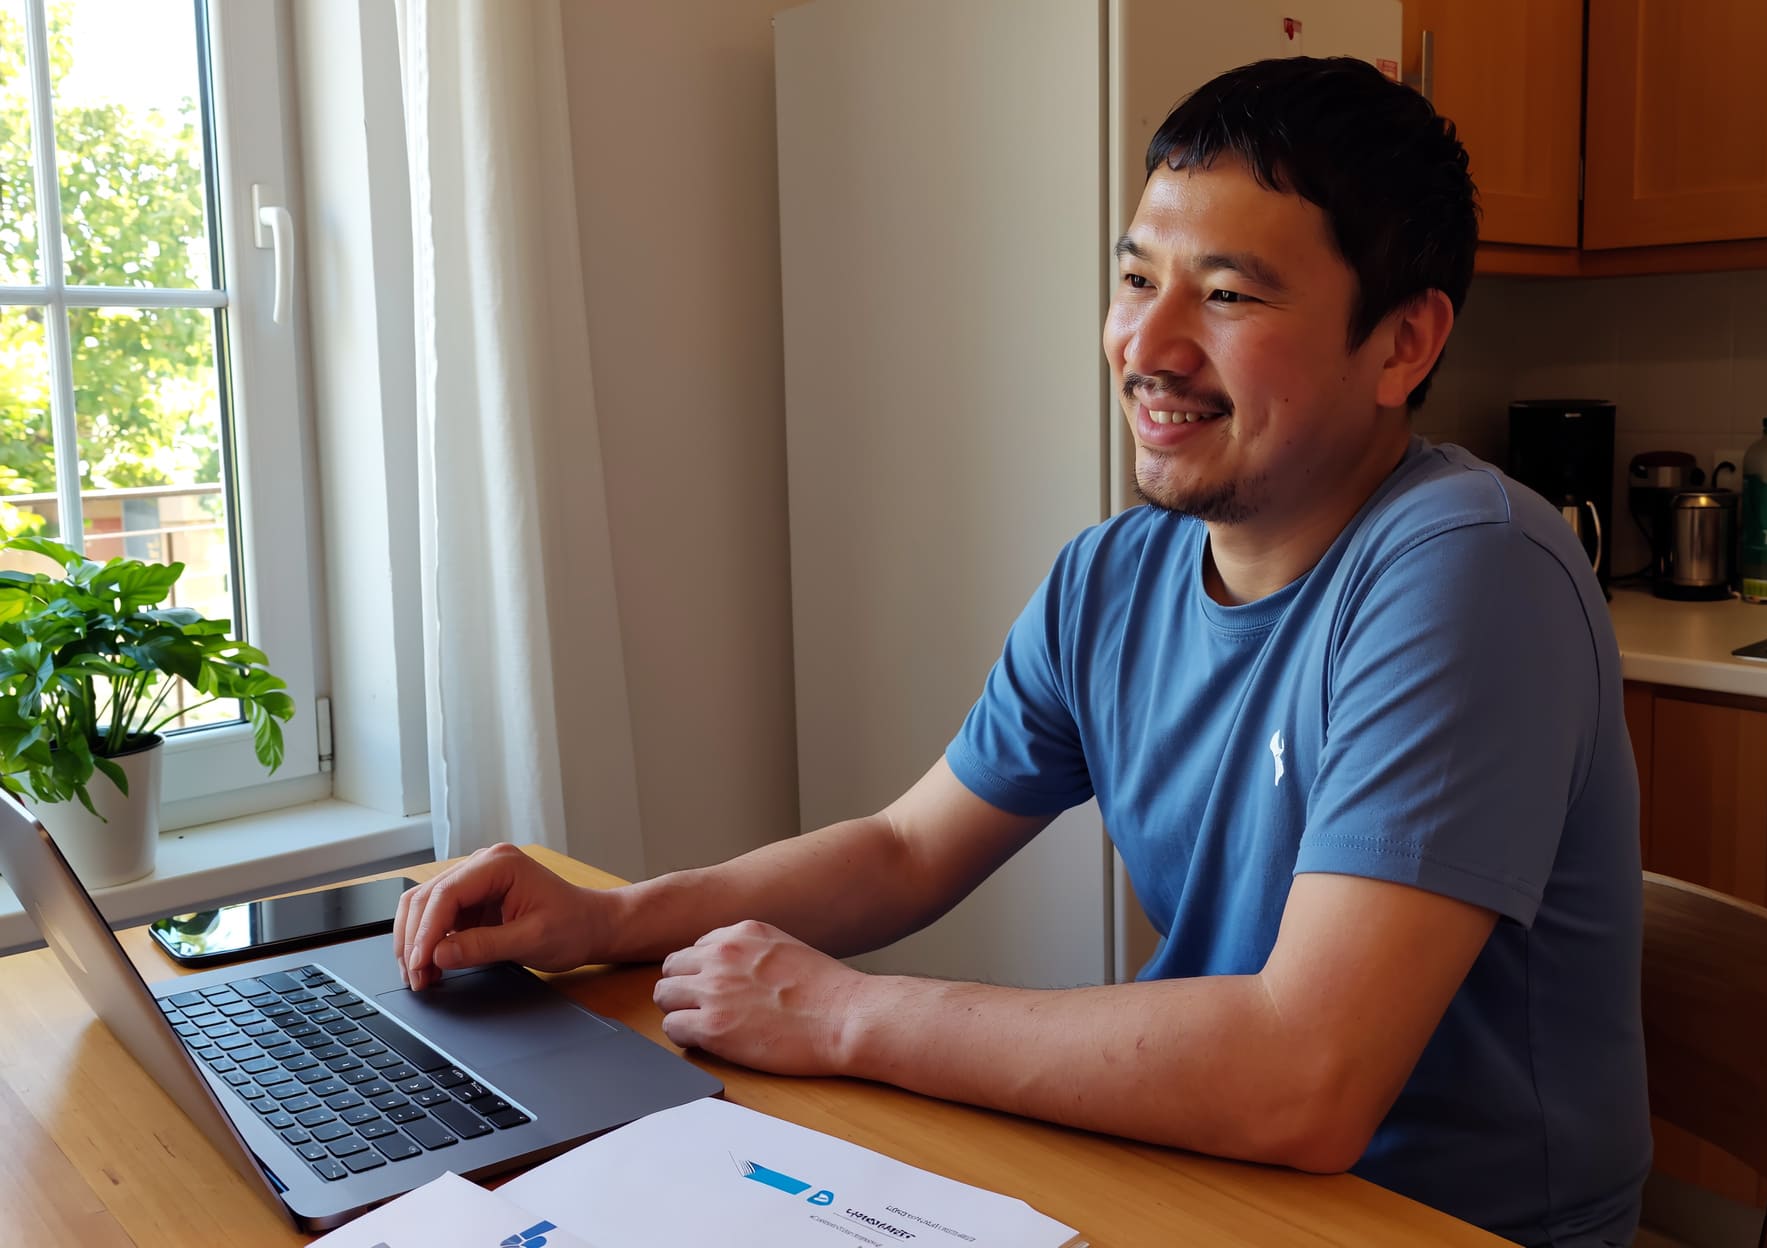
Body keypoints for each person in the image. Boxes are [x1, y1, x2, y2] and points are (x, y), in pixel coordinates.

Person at [395, 56, 1650, 1246]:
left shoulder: (1468, 567)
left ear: (1404, 344)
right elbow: (903, 850)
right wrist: (615, 915)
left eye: (1226, 295)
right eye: (1135, 279)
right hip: (1195, 1174)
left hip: (1427, 1221)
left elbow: (1302, 1078)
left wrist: (840, 1012)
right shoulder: (1113, 576)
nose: (1148, 348)